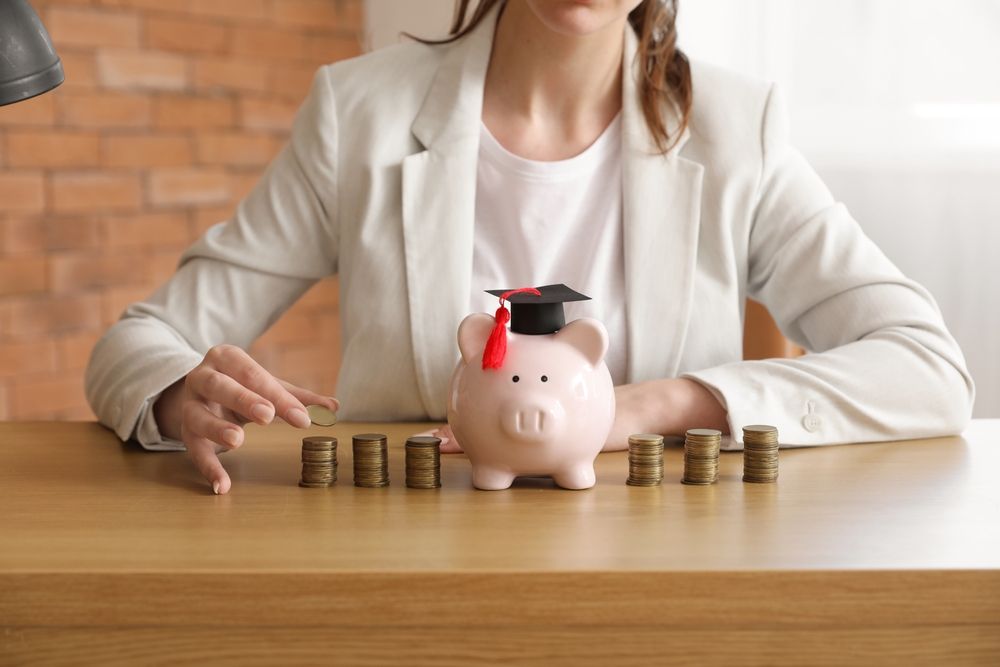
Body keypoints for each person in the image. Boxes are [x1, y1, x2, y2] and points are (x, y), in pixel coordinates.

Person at [85, 0, 974, 495]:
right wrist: (173, 395)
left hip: (660, 591)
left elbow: (927, 365)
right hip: (399, 582)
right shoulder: (359, 115)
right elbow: (138, 339)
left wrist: (652, 406)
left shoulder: (738, 130)